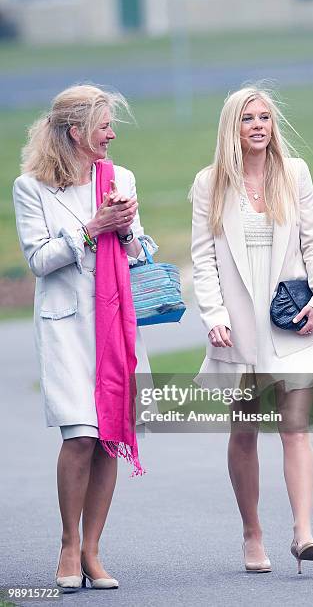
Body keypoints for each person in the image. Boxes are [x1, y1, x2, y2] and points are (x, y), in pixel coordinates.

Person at [191, 86, 313, 574]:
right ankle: (252, 533)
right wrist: (214, 315)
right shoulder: (209, 183)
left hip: (291, 323)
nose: (258, 125)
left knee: (295, 430)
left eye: (264, 117)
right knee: (244, 433)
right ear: (231, 128)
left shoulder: (294, 173)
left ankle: (303, 533)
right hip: (239, 328)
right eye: (247, 119)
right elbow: (202, 259)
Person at [13, 84, 157, 590]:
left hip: (115, 326)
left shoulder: (119, 178)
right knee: (80, 436)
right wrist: (93, 228)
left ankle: (93, 549)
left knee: (107, 438)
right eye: (103, 126)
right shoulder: (31, 187)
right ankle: (68, 544)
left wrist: (128, 230)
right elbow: (37, 260)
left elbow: (139, 255)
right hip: (66, 327)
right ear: (76, 132)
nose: (112, 134)